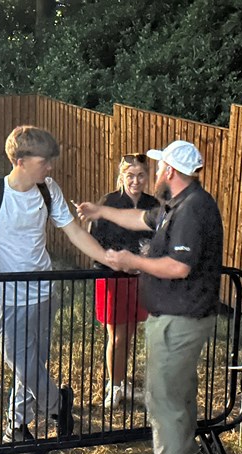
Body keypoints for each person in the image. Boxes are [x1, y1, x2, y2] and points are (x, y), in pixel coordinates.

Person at [76, 139, 223, 454]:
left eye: (159, 168)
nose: (155, 173)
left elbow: (179, 267)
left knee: (164, 402)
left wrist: (132, 261)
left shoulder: (192, 211)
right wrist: (98, 209)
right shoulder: (177, 205)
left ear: (170, 172)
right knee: (180, 396)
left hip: (180, 317)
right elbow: (137, 220)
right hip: (180, 316)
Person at [0, 125, 109, 443]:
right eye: (45, 161)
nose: (50, 167)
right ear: (21, 160)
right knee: (19, 360)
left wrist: (108, 258)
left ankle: (16, 427)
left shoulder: (48, 188)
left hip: (44, 291)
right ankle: (58, 405)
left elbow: (74, 231)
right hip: (7, 294)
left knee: (31, 366)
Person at [87, 153, 160, 408]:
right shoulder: (108, 203)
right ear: (121, 176)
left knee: (131, 332)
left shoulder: (153, 205)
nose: (135, 181)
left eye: (141, 175)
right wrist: (117, 262)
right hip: (113, 278)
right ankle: (114, 386)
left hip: (142, 278)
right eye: (130, 175)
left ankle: (123, 381)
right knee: (116, 335)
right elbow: (94, 242)